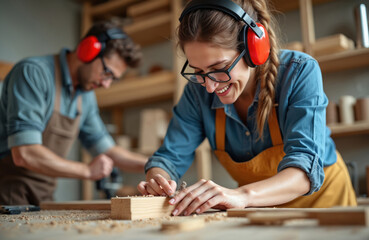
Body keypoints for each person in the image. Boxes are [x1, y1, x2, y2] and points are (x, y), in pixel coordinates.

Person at [138, 0, 357, 215]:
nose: (210, 86)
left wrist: (241, 196)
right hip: (261, 210)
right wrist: (159, 179)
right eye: (198, 71)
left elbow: (304, 168)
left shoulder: (299, 72)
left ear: (254, 49)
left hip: (325, 204)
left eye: (219, 68)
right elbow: (168, 158)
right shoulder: (197, 93)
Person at [0, 21, 147, 205]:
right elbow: (25, 153)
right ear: (88, 50)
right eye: (107, 73)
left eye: (113, 79)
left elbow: (108, 149)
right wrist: (87, 171)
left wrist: (152, 164)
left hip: (44, 197)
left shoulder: (85, 96)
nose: (106, 84)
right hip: (7, 192)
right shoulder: (33, 73)